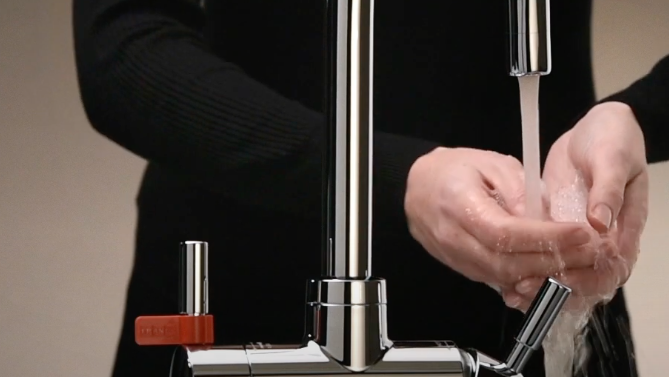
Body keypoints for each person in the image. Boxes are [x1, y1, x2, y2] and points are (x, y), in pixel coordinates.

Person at [72, 1, 668, 376]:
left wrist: (638, 116)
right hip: (248, 291)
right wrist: (393, 178)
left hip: (536, 300)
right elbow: (120, 48)